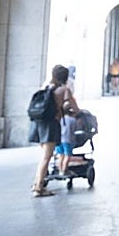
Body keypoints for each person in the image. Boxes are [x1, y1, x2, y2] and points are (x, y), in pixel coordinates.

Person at [30, 64, 81, 197]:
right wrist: (78, 114)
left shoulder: (47, 88)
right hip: (51, 125)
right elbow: (76, 109)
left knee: (44, 156)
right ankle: (38, 188)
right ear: (65, 77)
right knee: (46, 157)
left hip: (39, 124)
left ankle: (37, 184)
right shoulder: (64, 90)